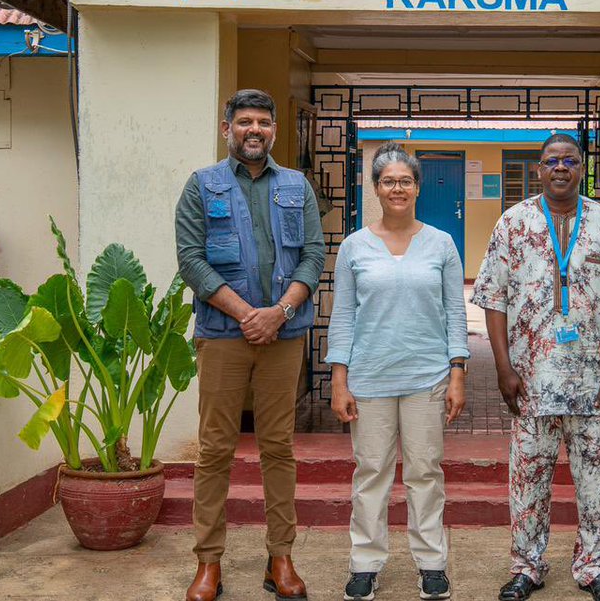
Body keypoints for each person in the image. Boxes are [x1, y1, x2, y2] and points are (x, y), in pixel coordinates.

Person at [472, 133, 600, 601]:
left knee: (596, 481)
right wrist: (503, 367)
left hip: (594, 384)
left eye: (570, 160)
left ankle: (593, 568)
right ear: (538, 169)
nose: (560, 168)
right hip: (531, 382)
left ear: (582, 168)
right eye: (551, 160)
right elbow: (494, 298)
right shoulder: (513, 223)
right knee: (528, 478)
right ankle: (527, 568)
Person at [175, 89, 326, 601]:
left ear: (274, 130)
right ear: (227, 130)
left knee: (278, 447)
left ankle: (280, 557)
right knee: (215, 448)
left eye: (262, 121)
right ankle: (208, 562)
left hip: (284, 336)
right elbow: (192, 261)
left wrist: (279, 312)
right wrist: (246, 315)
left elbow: (313, 255)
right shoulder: (202, 186)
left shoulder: (297, 186)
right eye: (244, 122)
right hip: (223, 336)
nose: (253, 130)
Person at [326, 143, 469, 601]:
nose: (397, 188)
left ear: (417, 187)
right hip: (369, 381)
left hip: (427, 379)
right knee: (371, 474)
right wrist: (339, 380)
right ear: (376, 188)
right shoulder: (354, 246)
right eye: (388, 181)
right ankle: (365, 563)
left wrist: (457, 372)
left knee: (425, 473)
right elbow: (343, 316)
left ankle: (431, 563)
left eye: (405, 180)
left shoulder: (441, 244)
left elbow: (455, 313)